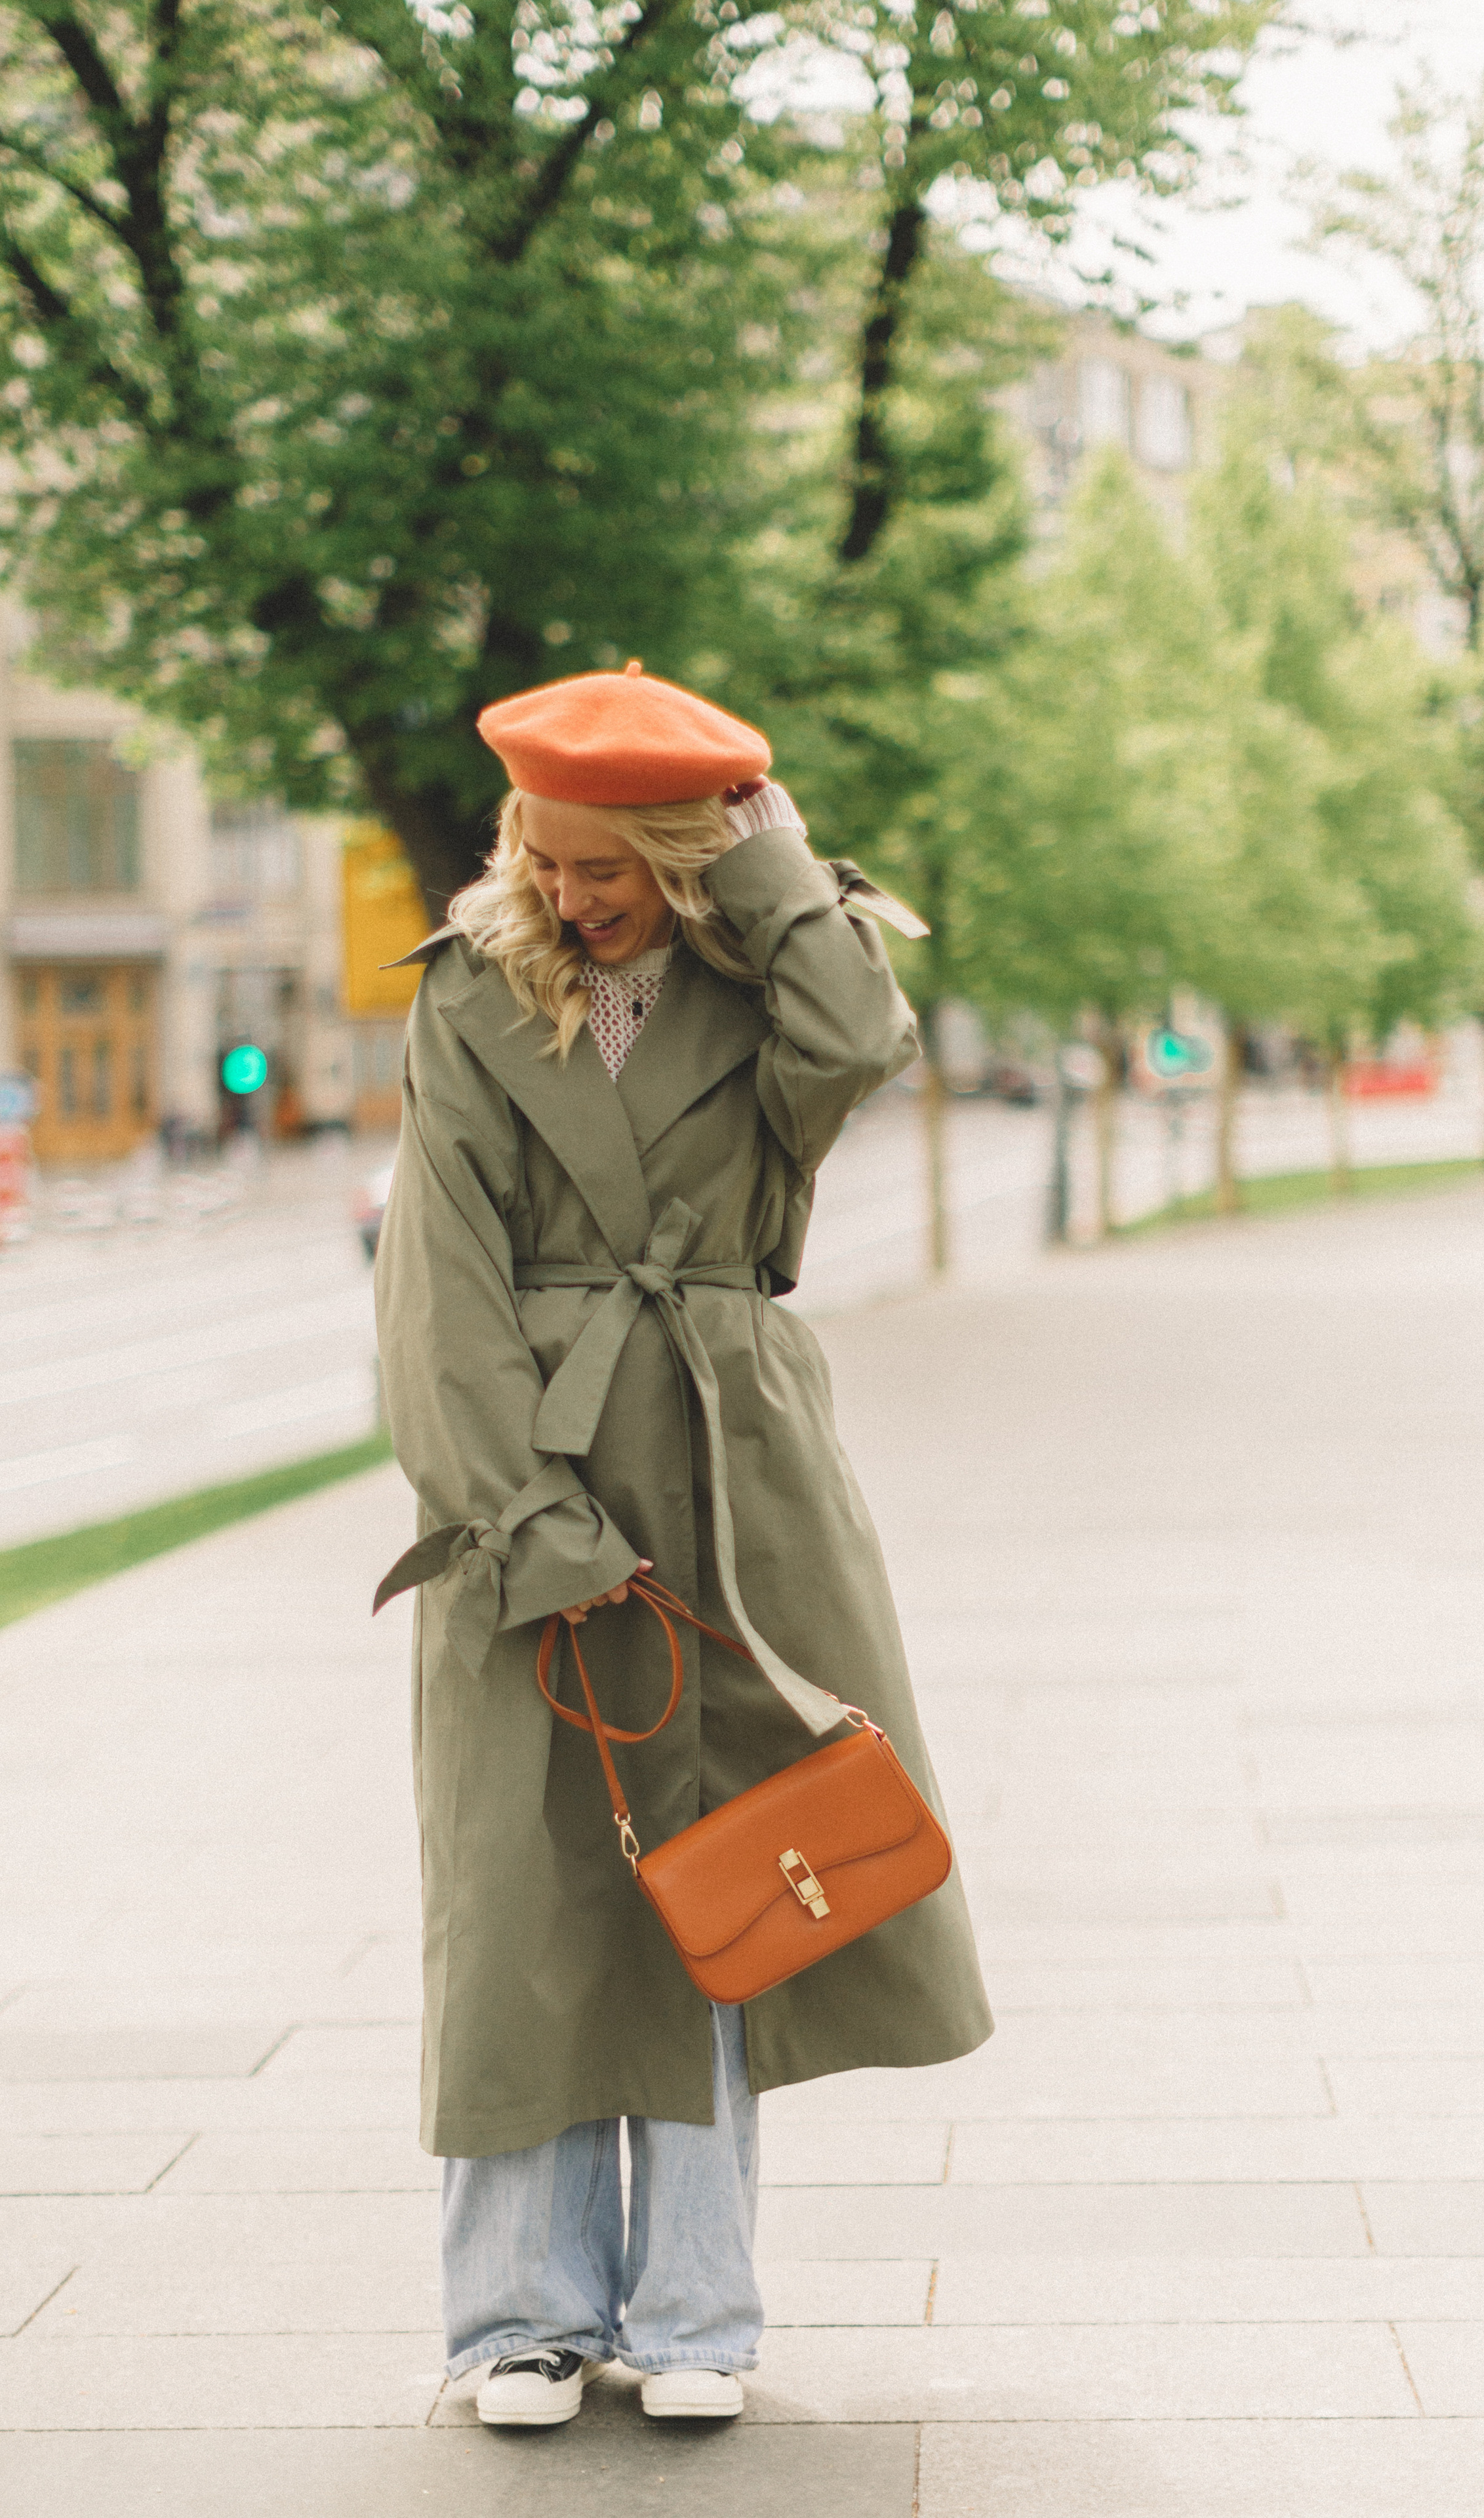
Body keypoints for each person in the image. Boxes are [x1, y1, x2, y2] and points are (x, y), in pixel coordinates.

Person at [372, 662, 991, 2428]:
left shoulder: (773, 984)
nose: (572, 896)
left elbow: (865, 1040)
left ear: (687, 851)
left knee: (730, 1886)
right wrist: (522, 1515)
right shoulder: (472, 999)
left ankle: (698, 2315)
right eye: (548, 861)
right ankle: (514, 2320)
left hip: (739, 1478)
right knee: (524, 1896)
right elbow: (443, 1293)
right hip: (534, 1472)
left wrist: (772, 848)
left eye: (611, 867)